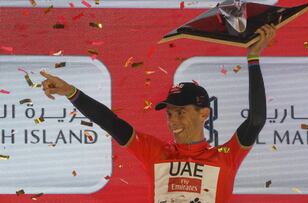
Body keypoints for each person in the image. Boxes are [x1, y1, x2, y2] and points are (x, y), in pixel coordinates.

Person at [41, 24, 276, 203]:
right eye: (170, 113)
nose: (173, 120)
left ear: (204, 113)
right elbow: (109, 122)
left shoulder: (225, 155)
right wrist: (70, 92)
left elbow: (256, 119)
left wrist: (253, 58)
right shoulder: (155, 152)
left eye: (181, 112)